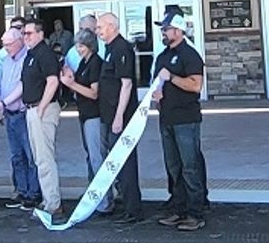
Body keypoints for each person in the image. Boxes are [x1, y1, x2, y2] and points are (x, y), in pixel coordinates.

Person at [152, 12, 207, 231]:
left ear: (178, 30)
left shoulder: (190, 55)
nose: (163, 33)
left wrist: (172, 78)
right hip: (167, 118)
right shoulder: (163, 56)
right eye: (162, 29)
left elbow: (195, 86)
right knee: (173, 166)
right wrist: (157, 94)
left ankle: (196, 212)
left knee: (189, 166)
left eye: (166, 29)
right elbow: (158, 83)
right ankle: (178, 208)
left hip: (186, 119)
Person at [96, 12, 143, 224]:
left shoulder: (121, 48)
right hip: (108, 114)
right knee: (116, 162)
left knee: (124, 162)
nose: (98, 31)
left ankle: (133, 209)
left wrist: (118, 117)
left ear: (112, 26)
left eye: (101, 27)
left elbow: (127, 84)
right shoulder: (109, 49)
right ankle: (126, 203)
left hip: (120, 117)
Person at [58, 29, 112, 216]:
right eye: (76, 46)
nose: (78, 49)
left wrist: (71, 85)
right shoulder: (84, 63)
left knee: (98, 157)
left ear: (89, 45)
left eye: (80, 46)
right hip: (85, 114)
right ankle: (96, 194)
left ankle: (104, 201)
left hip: (95, 115)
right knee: (92, 156)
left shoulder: (96, 64)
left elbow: (94, 92)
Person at [0, 28, 41, 211]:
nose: (5, 47)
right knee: (16, 156)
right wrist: (0, 104)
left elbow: (22, 85)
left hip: (22, 113)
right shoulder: (6, 60)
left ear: (19, 41)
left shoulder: (27, 58)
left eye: (8, 44)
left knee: (30, 155)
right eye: (4, 44)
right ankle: (22, 191)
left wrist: (3, 103)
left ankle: (33, 194)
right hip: (9, 114)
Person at [20, 19, 65, 224]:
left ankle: (53, 204)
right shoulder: (31, 55)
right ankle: (49, 199)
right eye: (24, 34)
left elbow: (53, 81)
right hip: (32, 108)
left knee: (45, 158)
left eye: (29, 33)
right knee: (39, 158)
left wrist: (41, 108)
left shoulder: (45, 53)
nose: (25, 37)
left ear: (40, 33)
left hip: (42, 110)